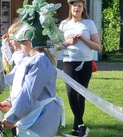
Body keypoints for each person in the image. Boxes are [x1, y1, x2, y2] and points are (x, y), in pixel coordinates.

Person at [0, 0, 64, 136]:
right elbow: (21, 86)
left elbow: (29, 93)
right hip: (31, 116)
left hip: (40, 118)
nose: (19, 44)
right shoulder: (29, 59)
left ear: (30, 41)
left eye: (22, 41)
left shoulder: (39, 61)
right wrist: (11, 100)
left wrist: (12, 117)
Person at [59, 0, 101, 136]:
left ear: (83, 8)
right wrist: (67, 42)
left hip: (86, 63)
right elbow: (56, 46)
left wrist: (84, 39)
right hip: (69, 62)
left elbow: (97, 46)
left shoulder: (89, 23)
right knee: (71, 93)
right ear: (70, 7)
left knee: (80, 95)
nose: (76, 8)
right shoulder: (64, 24)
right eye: (74, 5)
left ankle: (76, 128)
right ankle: (82, 124)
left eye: (79, 6)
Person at [0, 21, 26, 137]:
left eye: (12, 38)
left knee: (20, 123)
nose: (10, 41)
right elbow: (10, 61)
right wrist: (4, 45)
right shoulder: (17, 53)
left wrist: (1, 83)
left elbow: (15, 73)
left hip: (22, 93)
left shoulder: (24, 56)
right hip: (14, 91)